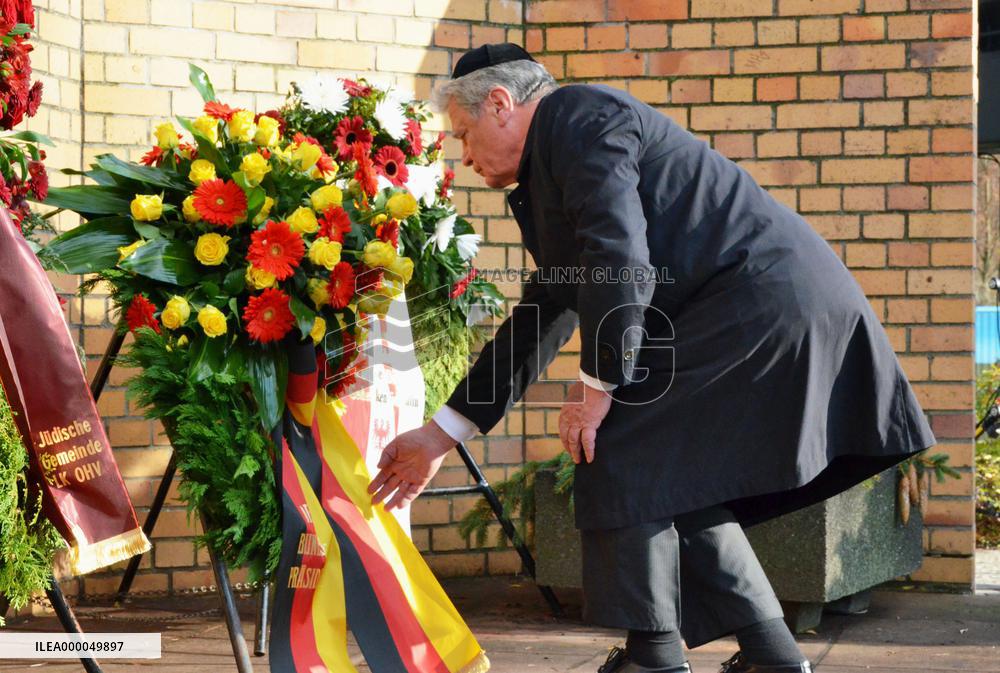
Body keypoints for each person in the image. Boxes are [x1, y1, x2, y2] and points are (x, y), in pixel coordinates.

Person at [368, 43, 936, 673]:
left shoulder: (582, 118)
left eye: (466, 134)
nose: (466, 156)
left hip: (765, 305)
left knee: (619, 437)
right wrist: (439, 435)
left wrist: (597, 389)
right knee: (675, 470)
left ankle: (655, 659)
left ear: (500, 103)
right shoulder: (555, 155)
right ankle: (768, 658)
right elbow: (545, 312)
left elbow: (619, 257)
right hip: (756, 308)